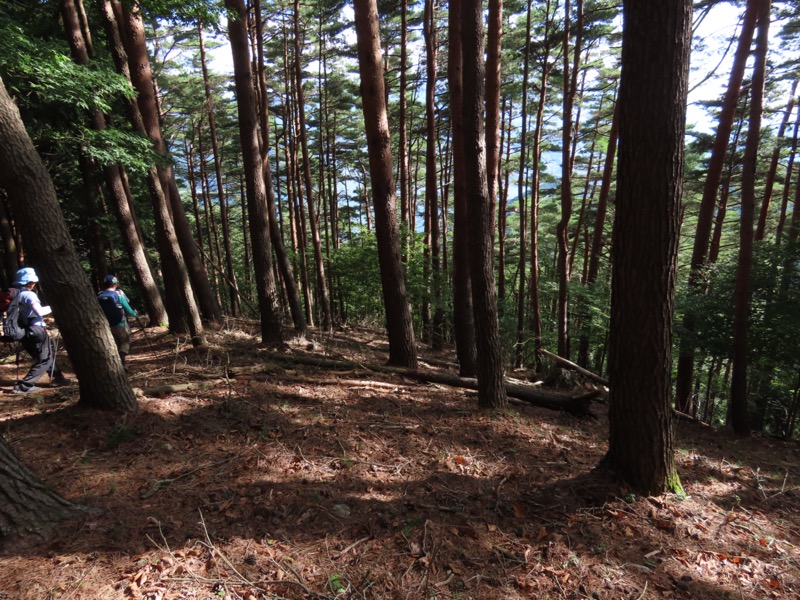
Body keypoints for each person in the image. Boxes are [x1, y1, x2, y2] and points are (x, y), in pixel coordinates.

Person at [12, 267, 71, 394]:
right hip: (36, 330)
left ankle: (58, 378)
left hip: (22, 331)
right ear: (30, 282)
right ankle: (23, 386)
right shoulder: (29, 294)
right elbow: (40, 311)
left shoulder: (14, 294)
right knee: (45, 359)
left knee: (44, 356)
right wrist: (55, 307)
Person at [97, 275, 138, 368]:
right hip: (121, 324)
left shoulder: (99, 295)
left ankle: (120, 365)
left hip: (107, 325)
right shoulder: (119, 294)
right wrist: (135, 314)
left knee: (116, 344)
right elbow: (128, 309)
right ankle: (122, 361)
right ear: (115, 284)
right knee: (125, 342)